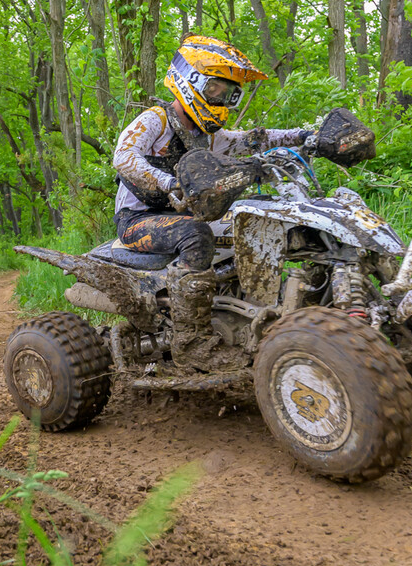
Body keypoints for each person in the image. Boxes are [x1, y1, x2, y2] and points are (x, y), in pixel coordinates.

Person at [111, 36, 322, 369]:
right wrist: (167, 182)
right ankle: (191, 340)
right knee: (197, 234)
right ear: (190, 80)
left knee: (256, 216)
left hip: (180, 217)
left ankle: (257, 312)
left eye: (229, 94)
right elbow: (123, 155)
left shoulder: (209, 136)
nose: (222, 99)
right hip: (138, 219)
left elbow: (253, 138)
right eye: (216, 90)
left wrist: (305, 136)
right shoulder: (157, 120)